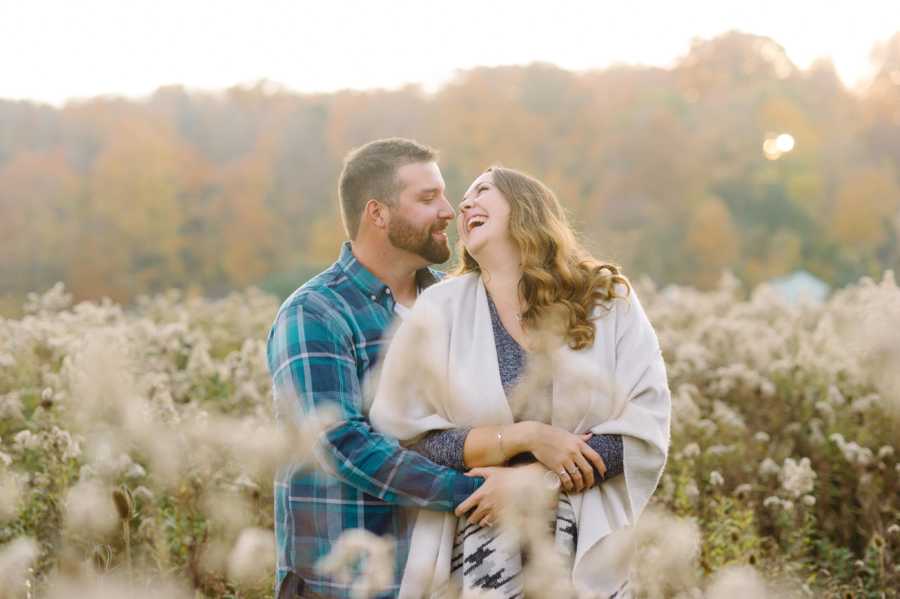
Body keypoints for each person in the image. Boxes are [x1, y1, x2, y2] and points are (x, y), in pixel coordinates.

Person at [370, 166, 671, 598]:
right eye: (464, 199)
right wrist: (526, 437)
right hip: (475, 539)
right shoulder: (439, 308)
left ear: (526, 206)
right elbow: (413, 436)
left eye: (483, 190)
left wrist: (533, 482)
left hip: (578, 536)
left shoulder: (606, 298)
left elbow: (643, 429)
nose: (465, 204)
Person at [266, 138, 486, 598]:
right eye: (427, 199)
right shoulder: (316, 312)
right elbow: (339, 442)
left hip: (442, 576)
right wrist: (472, 492)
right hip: (341, 583)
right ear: (378, 213)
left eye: (444, 195)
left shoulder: (455, 303)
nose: (449, 210)